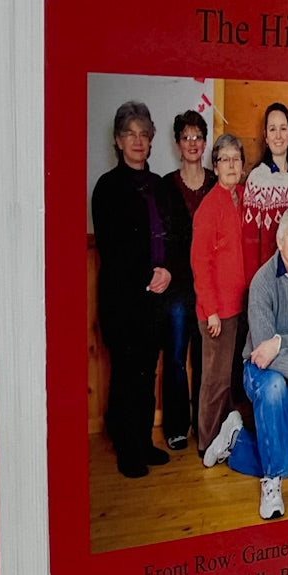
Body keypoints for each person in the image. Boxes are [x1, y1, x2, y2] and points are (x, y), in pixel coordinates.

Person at [202, 207, 288, 521]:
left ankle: (236, 440)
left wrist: (279, 343)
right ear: (279, 239)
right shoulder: (263, 281)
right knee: (273, 384)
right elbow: (262, 354)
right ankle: (270, 485)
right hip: (258, 371)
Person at [90, 101, 176, 477]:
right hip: (124, 301)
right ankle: (127, 450)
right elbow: (113, 249)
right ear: (118, 140)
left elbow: (172, 238)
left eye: (144, 134)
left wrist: (167, 272)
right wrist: (148, 275)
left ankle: (143, 442)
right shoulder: (107, 187)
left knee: (147, 373)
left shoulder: (159, 186)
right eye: (130, 134)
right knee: (126, 375)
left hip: (156, 298)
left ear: (151, 139)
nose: (138, 141)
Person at [159, 110, 213, 449]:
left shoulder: (215, 182)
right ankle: (176, 425)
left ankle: (204, 426)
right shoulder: (166, 186)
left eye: (198, 137)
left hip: (209, 288)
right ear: (178, 144)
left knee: (206, 358)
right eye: (186, 137)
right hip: (178, 286)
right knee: (177, 356)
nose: (192, 143)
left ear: (205, 143)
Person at [191, 133, 247, 456]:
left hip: (237, 305)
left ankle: (223, 438)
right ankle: (207, 442)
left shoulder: (241, 197)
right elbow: (200, 263)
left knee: (230, 378)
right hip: (217, 311)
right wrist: (210, 309)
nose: (231, 165)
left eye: (236, 159)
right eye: (225, 159)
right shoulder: (209, 207)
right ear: (215, 166)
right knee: (215, 380)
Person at [242, 102, 288, 271]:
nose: (278, 136)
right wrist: (255, 284)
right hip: (268, 277)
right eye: (272, 129)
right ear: (266, 136)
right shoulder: (257, 179)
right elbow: (250, 245)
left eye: (283, 128)